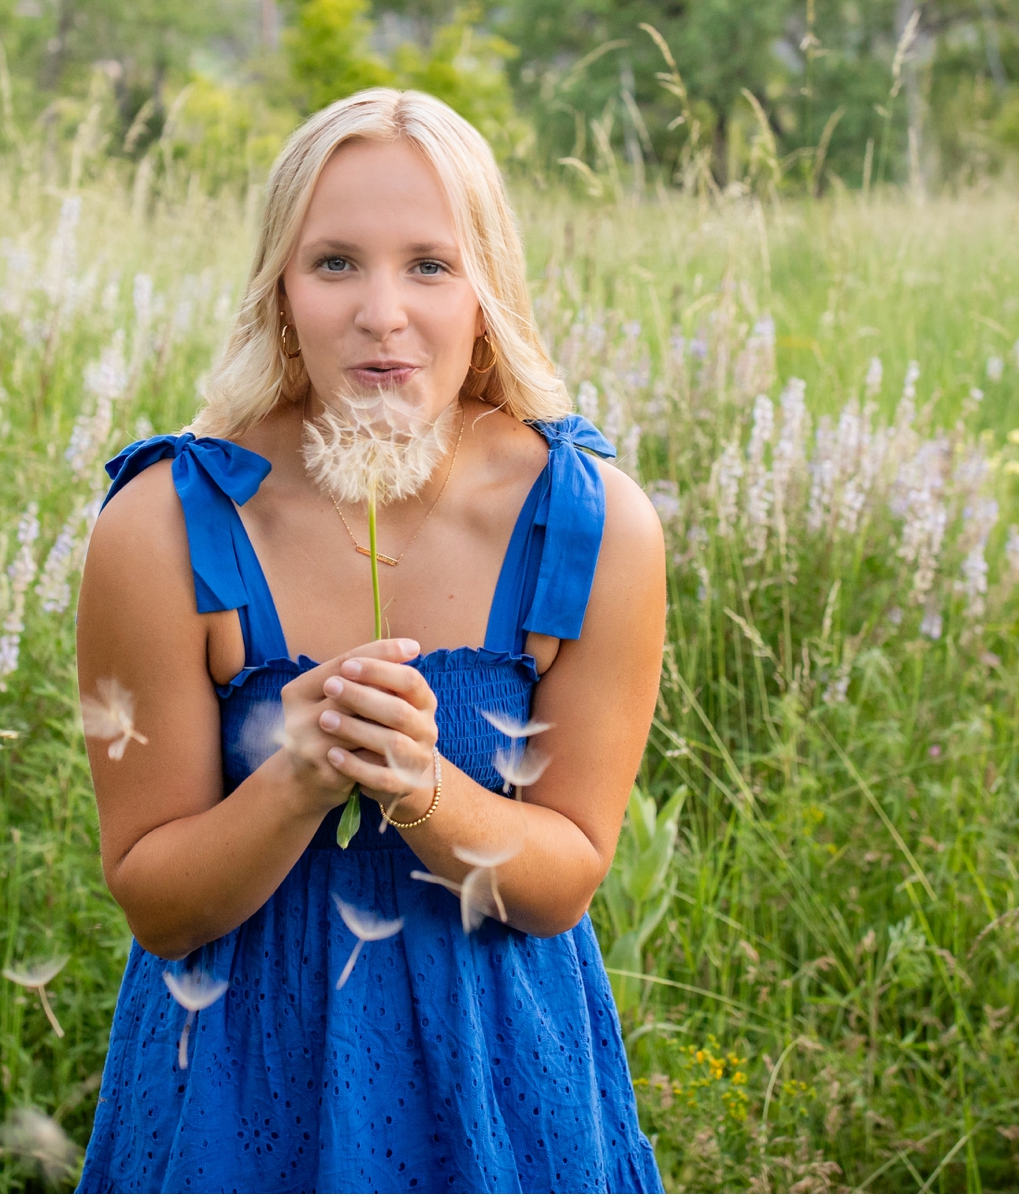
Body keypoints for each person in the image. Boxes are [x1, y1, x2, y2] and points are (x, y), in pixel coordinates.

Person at [74, 88, 667, 1191]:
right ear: (281, 292)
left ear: (488, 290)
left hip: (497, 1087)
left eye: (430, 265)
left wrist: (422, 787)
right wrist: (297, 777)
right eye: (336, 262)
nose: (381, 311)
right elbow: (156, 900)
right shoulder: (163, 525)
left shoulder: (589, 525)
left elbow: (562, 881)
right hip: (235, 1093)